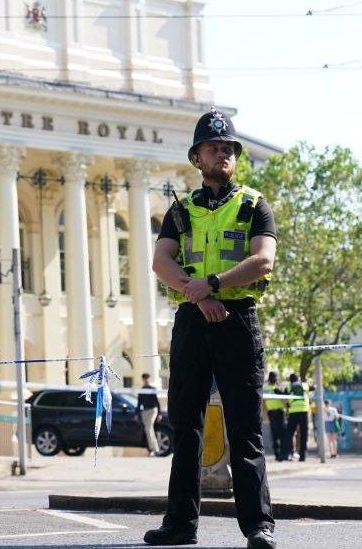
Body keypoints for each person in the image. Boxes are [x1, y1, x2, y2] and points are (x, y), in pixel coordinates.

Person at [148, 108, 277, 549]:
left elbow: (264, 259)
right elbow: (160, 261)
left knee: (245, 425)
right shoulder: (180, 210)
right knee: (186, 425)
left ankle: (259, 526)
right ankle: (180, 524)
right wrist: (199, 295)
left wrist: (216, 285)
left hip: (237, 320)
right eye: (213, 147)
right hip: (193, 320)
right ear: (197, 158)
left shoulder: (254, 204)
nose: (221, 153)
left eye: (228, 148)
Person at [136, 373, 164, 457]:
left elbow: (157, 401)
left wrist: (159, 413)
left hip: (153, 410)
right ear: (143, 380)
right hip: (144, 411)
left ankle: (155, 449)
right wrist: (136, 414)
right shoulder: (141, 390)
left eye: (147, 378)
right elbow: (139, 403)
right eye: (144, 378)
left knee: (148, 428)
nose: (146, 380)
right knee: (148, 430)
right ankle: (153, 449)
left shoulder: (152, 389)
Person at [263, 372, 288, 461]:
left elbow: (264, 402)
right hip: (278, 413)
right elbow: (285, 400)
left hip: (272, 413)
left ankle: (278, 455)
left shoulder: (265, 388)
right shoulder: (277, 388)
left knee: (274, 434)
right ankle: (281, 455)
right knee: (280, 434)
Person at [286, 373, 310, 462]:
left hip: (293, 412)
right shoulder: (305, 385)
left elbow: (286, 396)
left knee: (290, 433)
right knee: (304, 434)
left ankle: (290, 453)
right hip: (304, 410)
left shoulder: (289, 386)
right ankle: (303, 456)